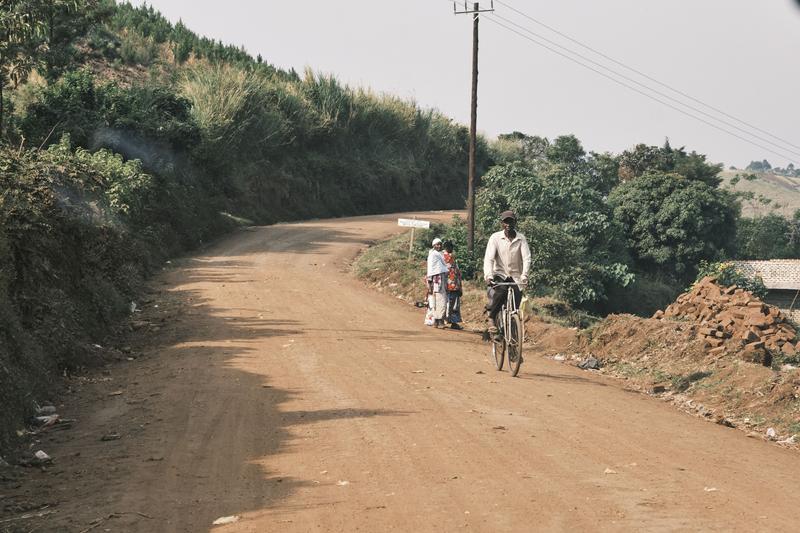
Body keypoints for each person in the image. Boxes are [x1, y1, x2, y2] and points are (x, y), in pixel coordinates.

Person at [483, 210, 531, 333]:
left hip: (516, 276)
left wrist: (525, 275)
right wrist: (488, 276)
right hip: (500, 274)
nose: (508, 224)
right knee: (501, 292)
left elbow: (526, 258)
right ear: (502, 223)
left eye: (510, 221)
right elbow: (489, 258)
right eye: (505, 222)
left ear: (515, 222)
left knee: (516, 302)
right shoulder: (495, 238)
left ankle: (511, 331)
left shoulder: (521, 239)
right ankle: (492, 317)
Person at [426, 237, 449, 328]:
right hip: (437, 281)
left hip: (441, 279)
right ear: (433, 246)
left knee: (439, 300)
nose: (439, 246)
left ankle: (437, 321)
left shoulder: (439, 254)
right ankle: (439, 321)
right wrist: (429, 283)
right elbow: (431, 269)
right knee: (440, 300)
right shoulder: (433, 255)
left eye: (440, 244)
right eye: (437, 244)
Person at [442, 241, 463, 330]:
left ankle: (448, 321)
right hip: (450, 285)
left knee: (450, 304)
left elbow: (456, 272)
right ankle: (450, 321)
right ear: (448, 248)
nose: (452, 249)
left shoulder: (448, 257)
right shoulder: (446, 257)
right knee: (451, 304)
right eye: (451, 248)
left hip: (452, 285)